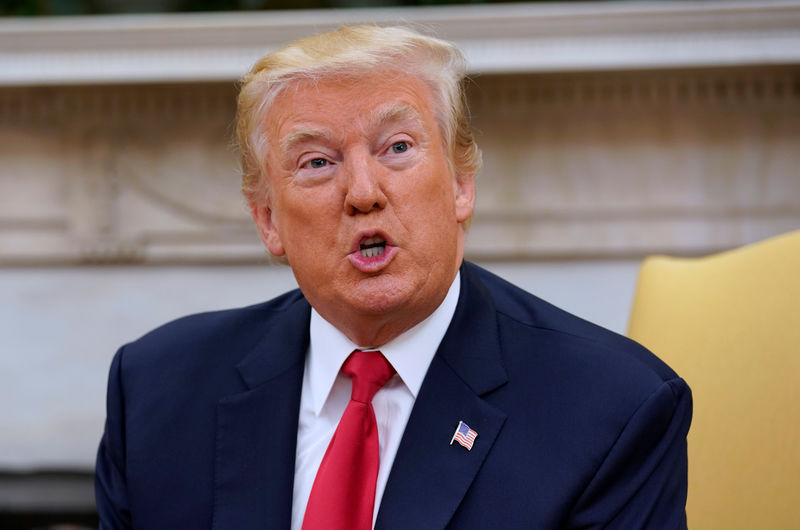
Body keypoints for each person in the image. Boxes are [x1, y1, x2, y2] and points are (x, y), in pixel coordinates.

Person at [95, 25, 691, 529]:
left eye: (397, 147)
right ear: (268, 220)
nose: (362, 193)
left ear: (461, 184)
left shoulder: (612, 411)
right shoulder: (155, 391)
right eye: (317, 162)